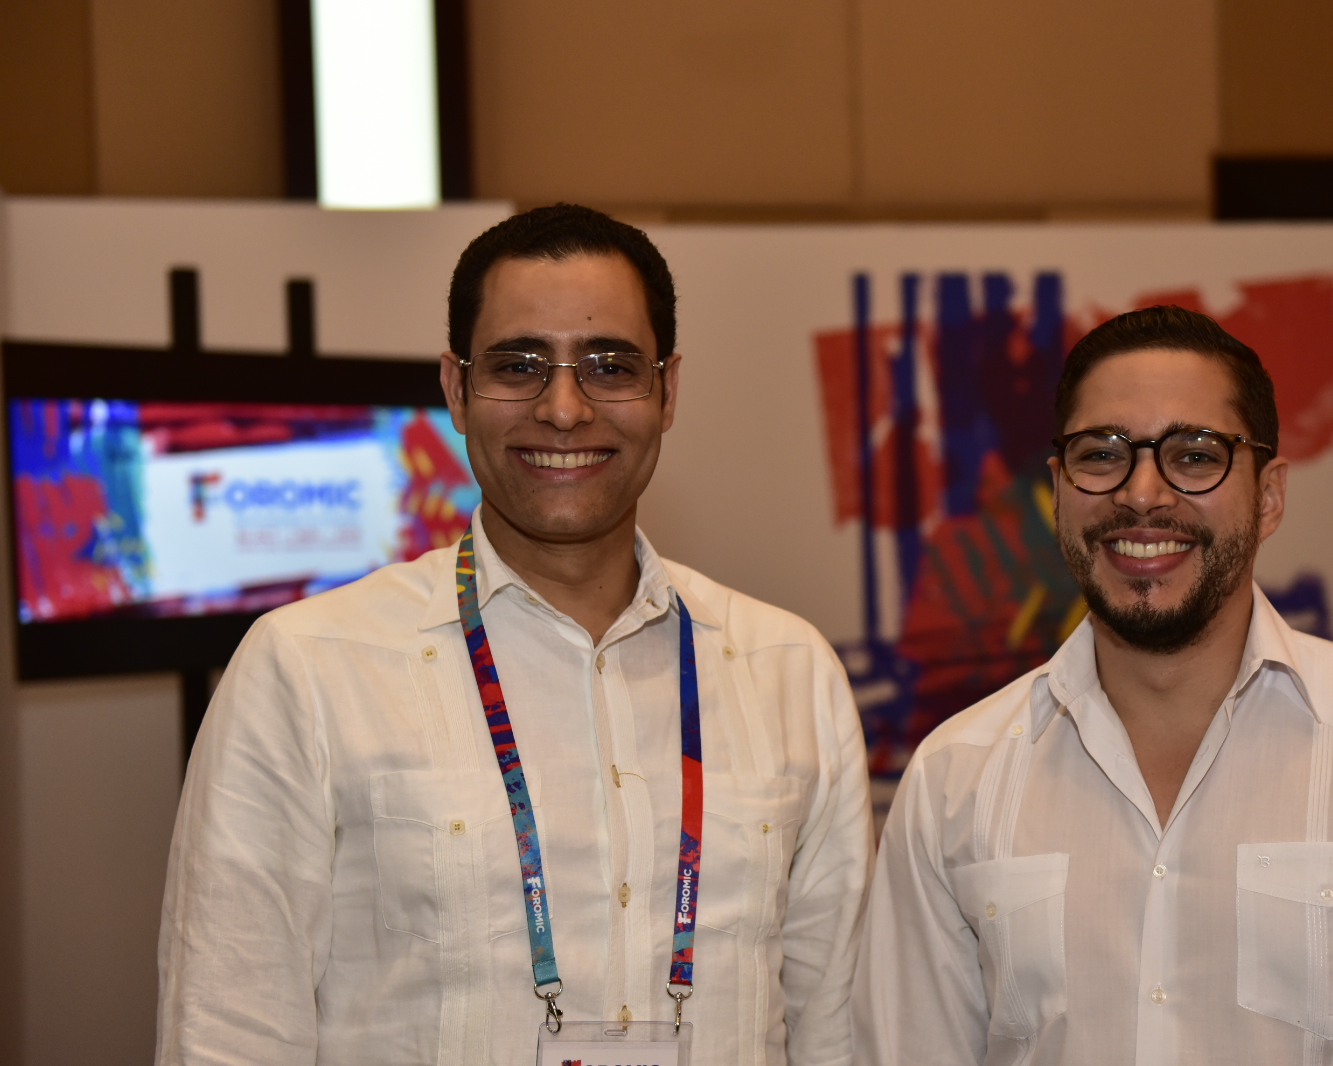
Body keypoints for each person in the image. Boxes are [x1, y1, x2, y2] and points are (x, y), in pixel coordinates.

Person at [157, 204, 872, 1066]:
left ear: (668, 391)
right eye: (518, 366)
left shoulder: (787, 672)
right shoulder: (308, 669)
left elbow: (840, 1033)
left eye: (610, 366)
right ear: (456, 390)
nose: (564, 409)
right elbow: (229, 1033)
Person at [853, 306, 1333, 1065]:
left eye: (1194, 455)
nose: (1142, 493)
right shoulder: (954, 780)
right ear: (1060, 488)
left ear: (1268, 495)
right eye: (1101, 454)